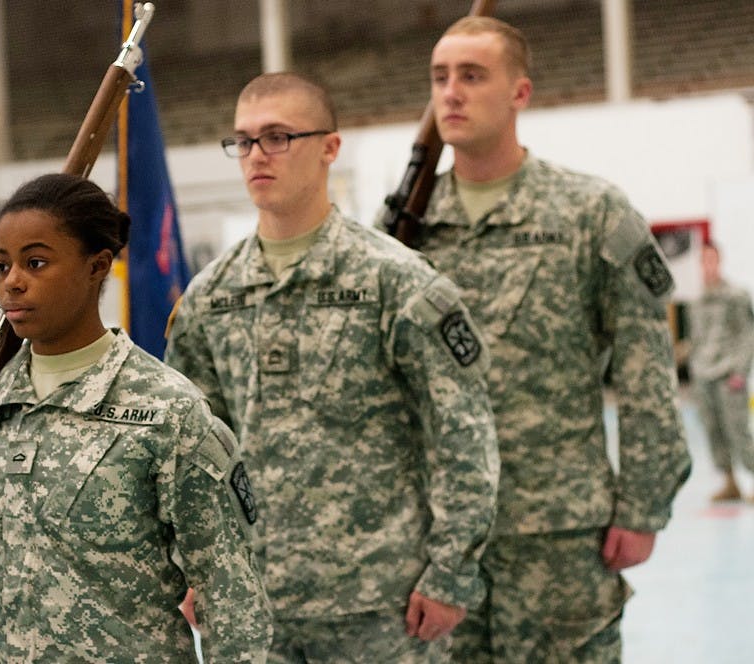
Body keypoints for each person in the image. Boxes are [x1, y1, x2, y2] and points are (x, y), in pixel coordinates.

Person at [165, 72, 500, 663]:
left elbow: (461, 433)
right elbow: (190, 454)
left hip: (379, 606)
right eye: (243, 141)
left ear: (329, 147)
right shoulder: (211, 295)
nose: (255, 156)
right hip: (250, 606)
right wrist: (192, 565)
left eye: (277, 137)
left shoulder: (396, 281)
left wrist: (451, 573)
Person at [0, 173, 271, 663]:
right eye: (1, 265)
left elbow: (231, 596)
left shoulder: (168, 411)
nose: (12, 281)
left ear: (97, 266)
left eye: (35, 262)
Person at [412, 16, 692, 662]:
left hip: (562, 536)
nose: (450, 93)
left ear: (520, 93)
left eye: (472, 76)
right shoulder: (407, 230)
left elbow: (647, 368)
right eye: (439, 78)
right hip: (442, 540)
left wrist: (644, 503)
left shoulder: (593, 213)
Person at [687, 241, 754, 501]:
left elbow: (748, 335)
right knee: (714, 432)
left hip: (728, 375)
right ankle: (730, 483)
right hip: (704, 375)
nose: (707, 266)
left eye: (711, 260)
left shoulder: (736, 296)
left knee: (738, 431)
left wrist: (740, 371)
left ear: (719, 261)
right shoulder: (696, 300)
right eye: (703, 261)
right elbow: (696, 339)